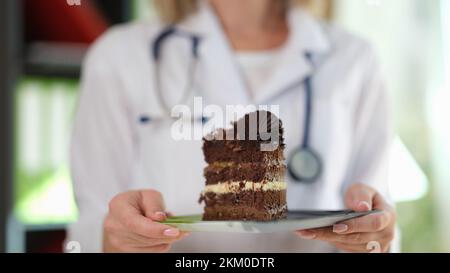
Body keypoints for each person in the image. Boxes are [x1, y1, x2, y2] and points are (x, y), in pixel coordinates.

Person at [68, 0, 397, 252]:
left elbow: (381, 227)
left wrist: (372, 233)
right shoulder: (120, 56)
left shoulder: (354, 59)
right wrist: (116, 238)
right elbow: (90, 228)